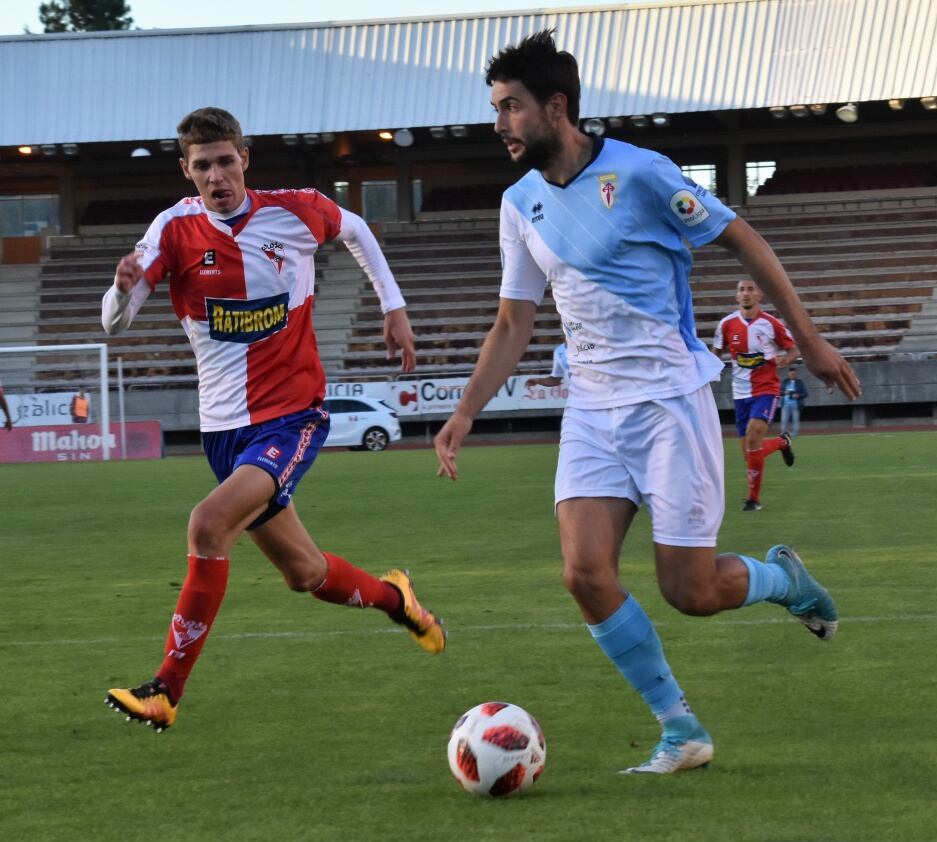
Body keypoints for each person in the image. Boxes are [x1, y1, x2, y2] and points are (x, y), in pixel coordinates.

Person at [433, 31, 861, 774]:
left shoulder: (640, 173)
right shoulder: (519, 202)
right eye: (495, 107)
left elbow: (744, 240)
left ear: (556, 107)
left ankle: (785, 578)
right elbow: (514, 321)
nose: (498, 123)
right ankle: (680, 728)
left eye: (511, 107)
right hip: (593, 409)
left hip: (670, 401)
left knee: (689, 591)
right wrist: (466, 410)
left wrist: (811, 340)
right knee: (584, 573)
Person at [100, 107, 445, 732]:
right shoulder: (173, 230)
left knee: (207, 525)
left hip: (292, 417)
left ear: (244, 159)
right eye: (202, 166)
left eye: (225, 161)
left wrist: (394, 307)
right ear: (187, 171)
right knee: (305, 575)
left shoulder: (295, 210)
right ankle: (399, 600)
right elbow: (115, 323)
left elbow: (358, 229)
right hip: (224, 432)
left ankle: (165, 691)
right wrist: (123, 289)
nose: (216, 175)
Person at [713, 279, 798, 512]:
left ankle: (754, 500)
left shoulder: (771, 324)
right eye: (742, 289)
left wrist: (786, 359)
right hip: (740, 393)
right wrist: (709, 370)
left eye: (751, 289)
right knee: (750, 452)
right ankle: (782, 442)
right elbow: (715, 352)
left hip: (766, 390)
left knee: (752, 440)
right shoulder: (726, 324)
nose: (746, 293)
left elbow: (793, 348)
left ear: (759, 295)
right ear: (736, 296)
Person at [781, 365, 809, 438]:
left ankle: (794, 436)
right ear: (788, 374)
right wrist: (785, 392)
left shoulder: (799, 382)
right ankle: (783, 436)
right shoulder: (785, 382)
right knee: (784, 421)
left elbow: (806, 393)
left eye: (793, 374)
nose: (792, 375)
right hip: (785, 404)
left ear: (796, 374)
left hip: (796, 405)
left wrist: (798, 395)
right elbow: (779, 392)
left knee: (795, 421)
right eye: (790, 374)